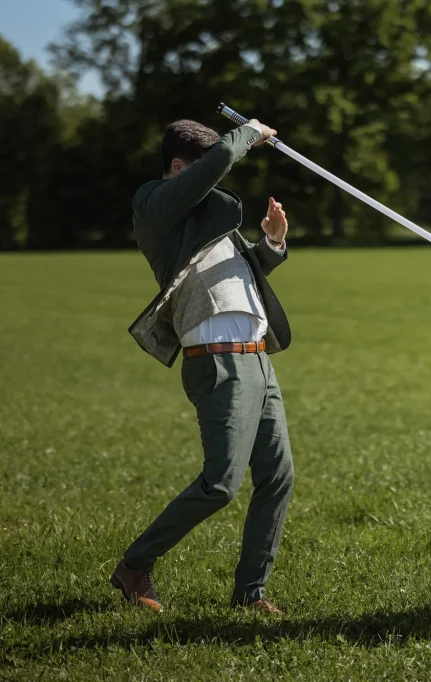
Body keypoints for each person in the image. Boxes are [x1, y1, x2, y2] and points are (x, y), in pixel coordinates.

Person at [110, 118, 294, 614]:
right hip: (216, 362)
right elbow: (213, 168)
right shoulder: (153, 205)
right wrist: (246, 135)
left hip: (258, 360)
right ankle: (133, 567)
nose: (214, 181)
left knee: (278, 478)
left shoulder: (212, 219)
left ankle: (251, 594)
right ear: (177, 168)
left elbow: (237, 278)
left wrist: (270, 246)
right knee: (220, 484)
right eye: (204, 170)